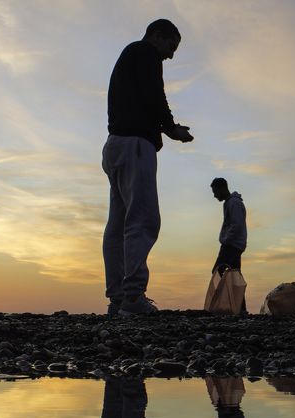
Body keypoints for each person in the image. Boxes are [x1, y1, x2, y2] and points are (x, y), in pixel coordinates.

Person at [102, 19, 194, 317]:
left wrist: (166, 128)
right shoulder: (145, 54)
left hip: (115, 144)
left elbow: (144, 96)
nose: (170, 55)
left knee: (118, 224)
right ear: (157, 37)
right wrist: (170, 128)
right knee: (143, 220)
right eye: (170, 46)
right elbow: (155, 94)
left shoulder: (130, 56)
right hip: (135, 145)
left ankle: (117, 298)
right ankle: (132, 297)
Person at [210, 177, 247, 275]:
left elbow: (237, 225)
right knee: (233, 275)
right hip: (232, 245)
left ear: (221, 188)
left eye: (215, 192)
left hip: (232, 245)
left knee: (217, 273)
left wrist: (226, 240)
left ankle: (224, 290)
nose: (214, 195)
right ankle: (233, 290)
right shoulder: (229, 203)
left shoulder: (234, 203)